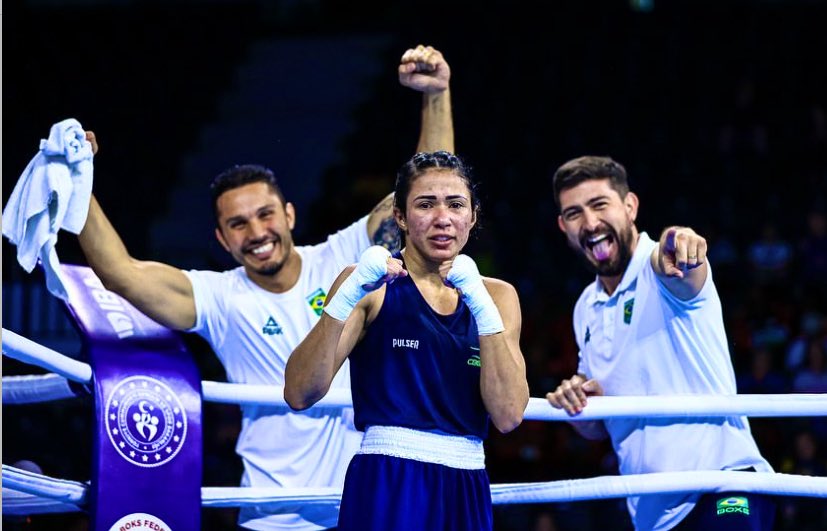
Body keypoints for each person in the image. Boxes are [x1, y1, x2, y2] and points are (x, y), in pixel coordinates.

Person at [73, 44, 455, 531]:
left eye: (265, 214)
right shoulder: (218, 297)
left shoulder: (344, 257)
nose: (256, 232)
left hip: (362, 504)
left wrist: (436, 95)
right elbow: (120, 273)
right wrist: (77, 182)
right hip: (271, 517)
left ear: (289, 214)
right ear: (221, 238)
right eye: (237, 224)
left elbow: (425, 190)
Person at [284, 151, 529, 531]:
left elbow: (509, 414)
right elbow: (300, 392)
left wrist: (480, 305)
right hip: (388, 477)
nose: (442, 218)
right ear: (399, 216)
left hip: (467, 482)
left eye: (455, 204)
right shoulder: (370, 286)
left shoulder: (497, 296)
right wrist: (346, 296)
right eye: (426, 204)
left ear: (473, 216)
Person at [544, 155, 776, 531]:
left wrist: (678, 241)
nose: (589, 223)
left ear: (630, 206)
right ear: (562, 226)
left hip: (724, 485)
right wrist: (578, 402)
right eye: (574, 213)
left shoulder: (663, 269)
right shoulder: (584, 307)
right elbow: (597, 427)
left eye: (600, 204)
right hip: (654, 515)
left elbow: (680, 263)